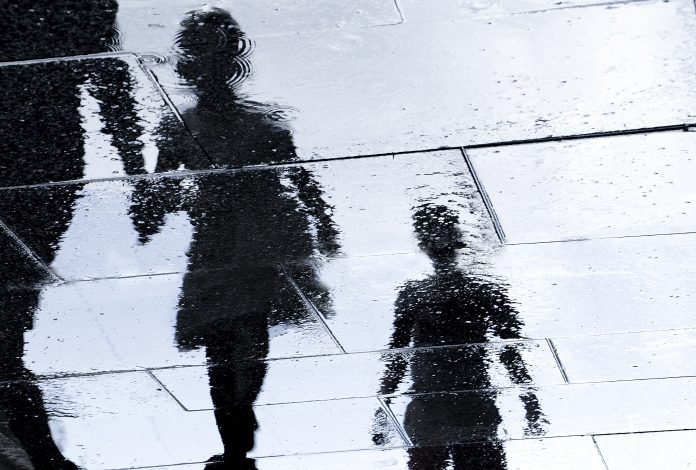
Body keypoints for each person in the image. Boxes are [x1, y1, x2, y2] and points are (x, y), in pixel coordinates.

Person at [129, 8, 339, 469]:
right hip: (217, 237)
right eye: (198, 53)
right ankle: (235, 433)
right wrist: (151, 207)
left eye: (214, 52)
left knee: (245, 329)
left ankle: (236, 436)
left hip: (266, 231)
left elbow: (296, 173)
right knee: (221, 339)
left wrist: (324, 221)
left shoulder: (262, 122)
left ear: (229, 60)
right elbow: (160, 188)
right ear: (189, 62)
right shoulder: (180, 126)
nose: (206, 64)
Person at [378, 204, 546, 469]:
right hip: (460, 404)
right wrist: (530, 401)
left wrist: (383, 404)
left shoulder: (419, 293)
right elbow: (509, 349)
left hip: (443, 405)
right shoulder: (481, 290)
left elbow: (398, 354)